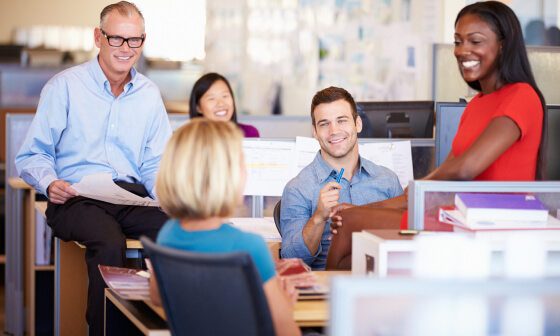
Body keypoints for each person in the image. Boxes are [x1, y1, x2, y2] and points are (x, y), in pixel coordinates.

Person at [327, 0, 548, 270]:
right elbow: (442, 182)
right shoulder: (476, 104)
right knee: (350, 231)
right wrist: (367, 208)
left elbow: (465, 169)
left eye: (475, 41)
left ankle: (333, 307)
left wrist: (419, 188)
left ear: (503, 44)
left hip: (491, 226)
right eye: (458, 41)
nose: (462, 50)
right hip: (459, 216)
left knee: (350, 225)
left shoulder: (522, 96)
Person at [14, 2, 172, 334]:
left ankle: (166, 324)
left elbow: (155, 162)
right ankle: (105, 330)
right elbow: (32, 155)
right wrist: (50, 182)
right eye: (116, 39)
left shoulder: (149, 94)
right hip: (76, 197)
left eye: (134, 40)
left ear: (143, 42)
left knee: (178, 230)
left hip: (129, 198)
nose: (126, 49)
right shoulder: (65, 86)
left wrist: (167, 198)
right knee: (108, 240)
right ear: (98, 37)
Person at [150, 119, 301, 336]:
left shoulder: (168, 234)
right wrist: (286, 308)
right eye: (241, 164)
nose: (246, 173)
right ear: (223, 177)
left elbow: (157, 297)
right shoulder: (249, 247)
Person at [280, 86, 403, 270]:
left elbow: (408, 238)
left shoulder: (387, 180)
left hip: (381, 284)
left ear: (358, 124)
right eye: (324, 124)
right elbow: (291, 262)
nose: (334, 131)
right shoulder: (298, 188)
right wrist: (319, 218)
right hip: (326, 290)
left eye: (342, 120)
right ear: (315, 132)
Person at [189, 72, 260, 137]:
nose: (220, 104)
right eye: (211, 98)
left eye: (225, 96)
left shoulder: (249, 133)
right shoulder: (189, 138)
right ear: (198, 108)